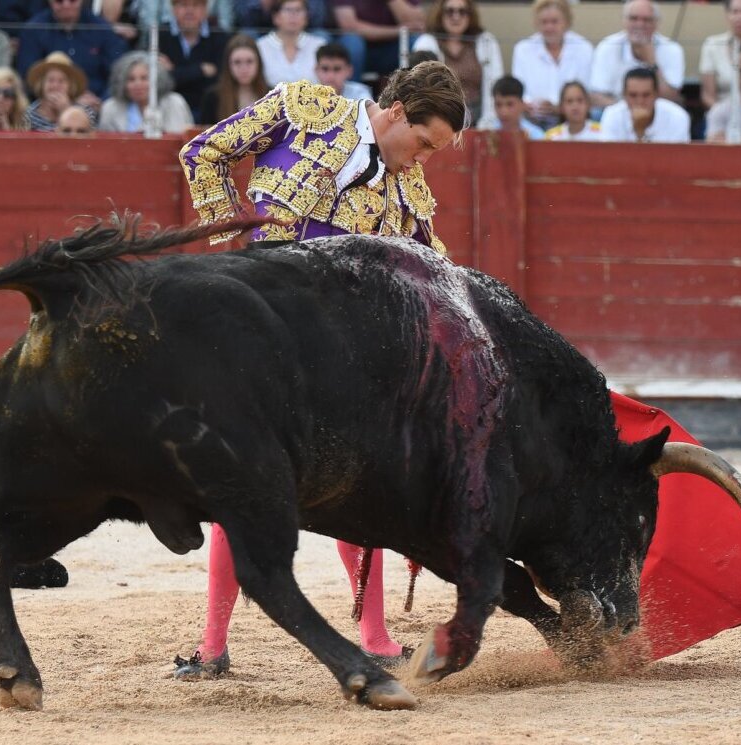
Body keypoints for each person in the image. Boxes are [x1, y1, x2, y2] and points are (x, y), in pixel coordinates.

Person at [174, 60, 467, 678]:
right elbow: (204, 153)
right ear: (394, 112)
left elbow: (437, 281)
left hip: (341, 358)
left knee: (357, 484)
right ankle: (212, 645)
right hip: (260, 338)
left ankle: (377, 633)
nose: (420, 163)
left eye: (433, 153)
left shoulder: (409, 192)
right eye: (421, 144)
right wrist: (230, 251)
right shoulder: (303, 111)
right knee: (241, 483)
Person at [14, 0, 128, 108]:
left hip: (95, 104)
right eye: (59, 1)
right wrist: (70, 101)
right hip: (47, 106)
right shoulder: (34, 29)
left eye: (72, 0)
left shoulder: (101, 28)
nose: (66, 5)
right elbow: (29, 76)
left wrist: (101, 101)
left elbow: (117, 73)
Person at [411, 0, 502, 130]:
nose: (456, 16)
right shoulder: (426, 42)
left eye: (462, 11)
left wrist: (488, 123)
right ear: (440, 14)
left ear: (470, 15)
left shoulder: (486, 42)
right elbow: (419, 90)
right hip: (441, 120)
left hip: (481, 123)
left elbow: (495, 84)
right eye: (450, 11)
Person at [510, 0, 592, 130]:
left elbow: (586, 90)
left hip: (571, 120)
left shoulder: (583, 48)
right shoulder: (523, 49)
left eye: (554, 21)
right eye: (544, 22)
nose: (549, 27)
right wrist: (529, 105)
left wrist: (560, 107)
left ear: (566, 22)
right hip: (532, 120)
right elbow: (518, 89)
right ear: (536, 23)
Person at [589, 0, 684, 110]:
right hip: (616, 110)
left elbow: (670, 97)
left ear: (656, 23)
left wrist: (652, 63)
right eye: (634, 18)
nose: (640, 24)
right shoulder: (608, 46)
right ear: (624, 21)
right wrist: (627, 113)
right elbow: (596, 96)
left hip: (656, 113)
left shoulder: (672, 49)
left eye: (646, 20)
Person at [159, 0, 231, 123]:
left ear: (205, 10)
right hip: (171, 108)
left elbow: (219, 79)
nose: (189, 11)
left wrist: (176, 72)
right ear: (173, 9)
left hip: (208, 108)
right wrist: (200, 69)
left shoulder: (218, 36)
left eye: (196, 5)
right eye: (183, 5)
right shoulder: (161, 35)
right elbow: (163, 80)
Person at [98, 50, 194, 134]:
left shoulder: (174, 102)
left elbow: (183, 141)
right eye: (131, 79)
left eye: (144, 78)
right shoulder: (110, 107)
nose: (138, 84)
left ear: (157, 79)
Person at [330, 0, 424, 83]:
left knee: (418, 42)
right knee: (353, 42)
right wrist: (398, 31)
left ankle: (417, 96)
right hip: (359, 50)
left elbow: (417, 25)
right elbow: (349, 26)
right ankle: (350, 97)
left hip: (391, 49)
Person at [599, 65, 689, 143]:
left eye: (646, 95)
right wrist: (639, 132)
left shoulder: (677, 117)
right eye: (633, 95)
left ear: (656, 94)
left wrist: (640, 132)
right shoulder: (612, 115)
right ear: (624, 95)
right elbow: (610, 159)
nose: (640, 102)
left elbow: (675, 159)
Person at [198, 33, 269, 124]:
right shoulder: (212, 97)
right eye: (237, 62)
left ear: (259, 64)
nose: (244, 69)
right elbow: (205, 135)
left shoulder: (271, 96)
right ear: (228, 65)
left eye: (249, 61)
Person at [24, 51, 97, 133]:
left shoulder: (86, 112)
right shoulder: (30, 114)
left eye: (61, 81)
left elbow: (87, 141)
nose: (55, 86)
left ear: (71, 86)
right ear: (42, 84)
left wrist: (66, 110)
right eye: (50, 80)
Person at [256, 0, 324, 86]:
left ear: (306, 17)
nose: (293, 15)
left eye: (298, 10)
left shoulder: (319, 45)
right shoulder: (260, 46)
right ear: (276, 17)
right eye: (288, 10)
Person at [490, 74, 544, 139]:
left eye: (510, 104)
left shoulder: (537, 136)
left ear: (522, 105)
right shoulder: (488, 134)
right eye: (498, 105)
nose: (504, 112)